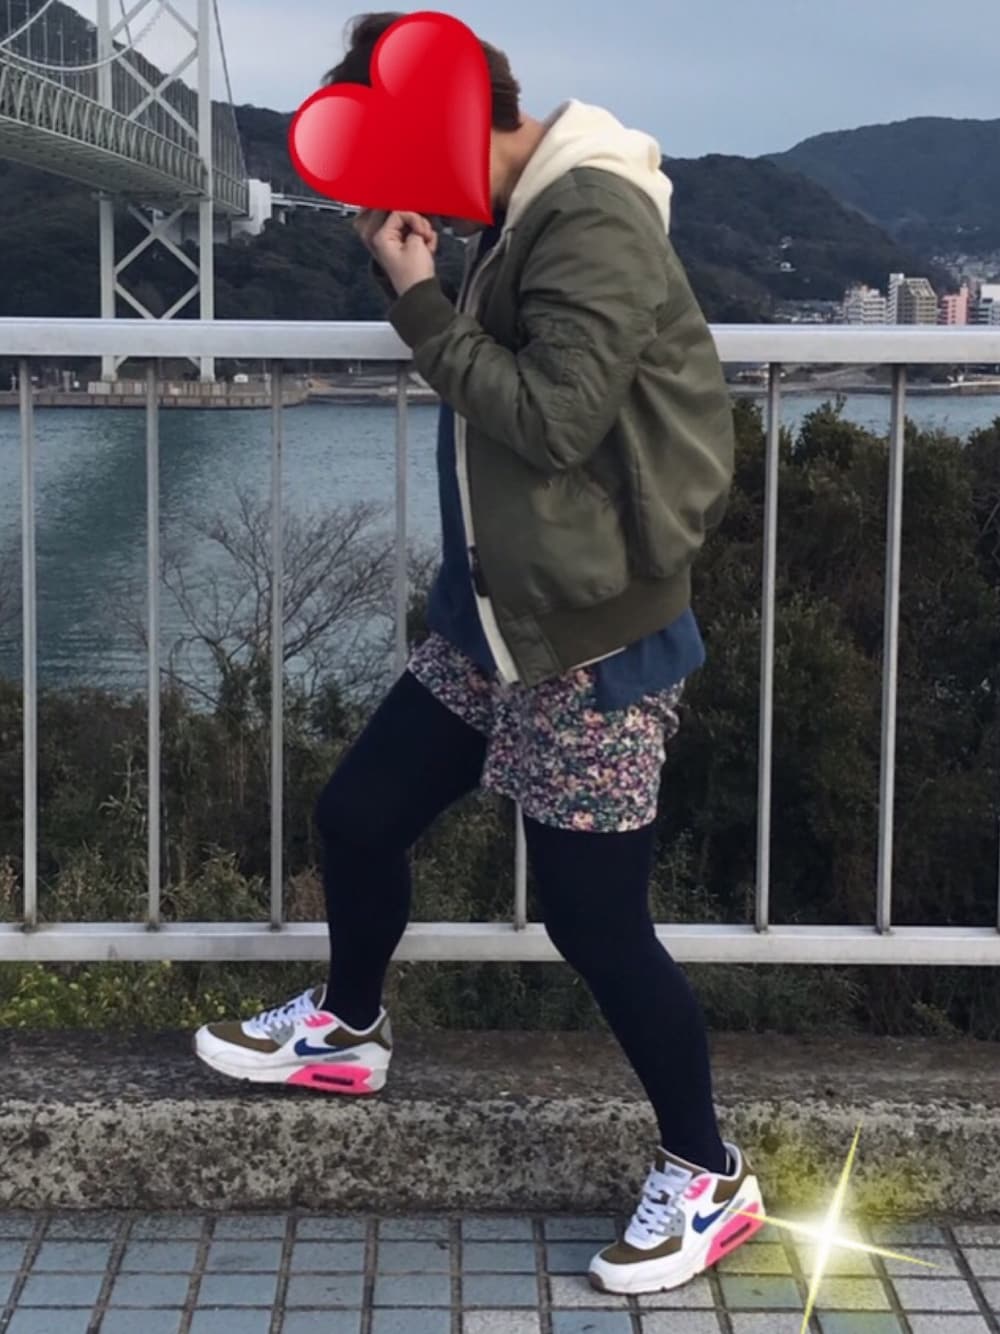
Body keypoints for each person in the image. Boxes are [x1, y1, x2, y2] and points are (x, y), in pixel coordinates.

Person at [194, 11, 765, 1296]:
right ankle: (348, 1027)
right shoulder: (525, 214)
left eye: (391, 154)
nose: (389, 190)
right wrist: (429, 281)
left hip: (590, 634)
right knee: (359, 814)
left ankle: (708, 1170)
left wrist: (417, 302)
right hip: (496, 616)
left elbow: (554, 419)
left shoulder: (589, 215)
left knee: (593, 920)